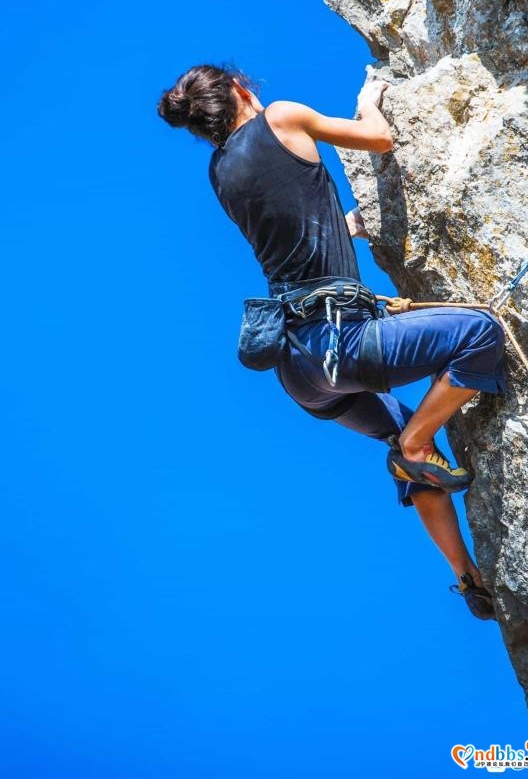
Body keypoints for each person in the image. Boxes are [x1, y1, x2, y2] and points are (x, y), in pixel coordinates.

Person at [158, 63, 507, 621]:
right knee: (479, 332)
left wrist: (346, 226)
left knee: (395, 444)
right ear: (242, 89)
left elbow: (287, 230)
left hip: (299, 368)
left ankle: (468, 579)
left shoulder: (219, 171)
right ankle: (419, 443)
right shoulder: (281, 116)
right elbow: (380, 137)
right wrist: (371, 97)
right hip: (340, 341)